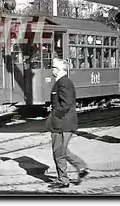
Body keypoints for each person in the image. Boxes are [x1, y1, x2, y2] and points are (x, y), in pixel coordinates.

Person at [45, 58, 89, 188]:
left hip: (62, 123)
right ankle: (81, 168)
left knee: (58, 152)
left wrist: (55, 115)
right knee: (62, 151)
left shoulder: (63, 83)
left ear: (57, 70)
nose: (51, 69)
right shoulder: (62, 82)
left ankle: (63, 180)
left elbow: (66, 104)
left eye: (53, 67)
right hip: (63, 123)